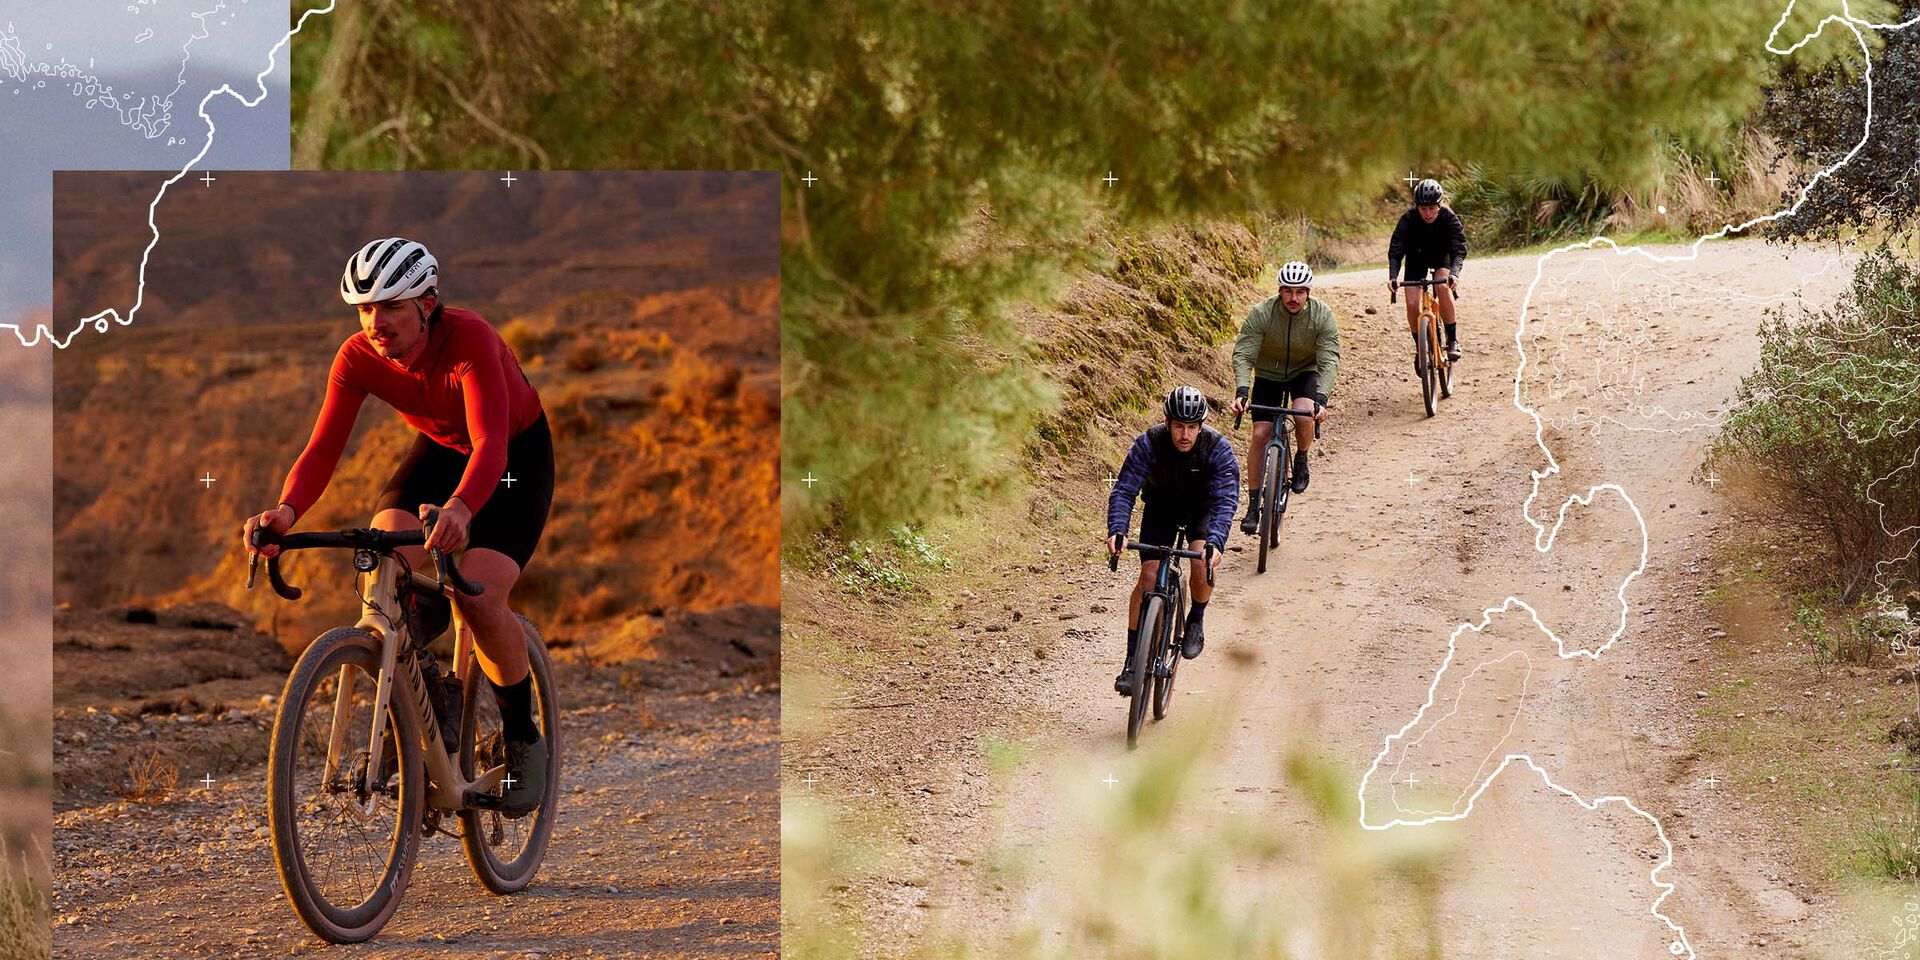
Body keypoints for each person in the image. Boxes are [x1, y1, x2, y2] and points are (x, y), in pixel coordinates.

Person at [240, 237, 556, 813]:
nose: (374, 322)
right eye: (364, 309)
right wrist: (285, 512)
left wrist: (462, 508)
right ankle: (424, 696)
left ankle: (522, 736)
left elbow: (489, 443)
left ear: (428, 305)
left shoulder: (469, 339)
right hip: (438, 449)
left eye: (390, 307)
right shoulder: (357, 356)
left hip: (512, 457)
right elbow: (322, 449)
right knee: (385, 556)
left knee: (478, 595)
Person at [1104, 387, 1239, 696]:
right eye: (1179, 425)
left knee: (1199, 559)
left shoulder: (1217, 448)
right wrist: (1118, 529)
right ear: (1167, 422)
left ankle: (1196, 618)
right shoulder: (1149, 443)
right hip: (1161, 507)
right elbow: (1124, 490)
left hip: (1201, 510)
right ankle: (1131, 661)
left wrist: (1215, 542)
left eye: (1192, 427)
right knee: (1149, 576)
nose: (1185, 434)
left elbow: (1225, 500)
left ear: (1201, 426)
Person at [1229, 260, 1337, 536]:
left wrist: (1321, 399)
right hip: (1268, 374)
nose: (1293, 298)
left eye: (1300, 292)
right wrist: (1242, 391)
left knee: (1303, 412)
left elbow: (1329, 360)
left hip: (1304, 373)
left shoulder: (1322, 316)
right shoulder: (1262, 313)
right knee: (1260, 434)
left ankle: (1301, 457)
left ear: (1308, 293)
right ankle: (1253, 505)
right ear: (1279, 291)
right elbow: (1243, 354)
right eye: (1288, 291)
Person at [1387, 177, 1469, 363]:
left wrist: (1454, 273)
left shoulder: (1448, 217)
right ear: (1417, 207)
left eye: (1432, 208)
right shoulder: (1408, 219)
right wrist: (1393, 277)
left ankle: (1452, 339)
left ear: (1439, 205)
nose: (1428, 213)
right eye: (1423, 209)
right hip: (1416, 259)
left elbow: (1459, 247)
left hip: (1442, 257)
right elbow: (1396, 250)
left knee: (1442, 287)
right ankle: (1420, 349)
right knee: (1411, 303)